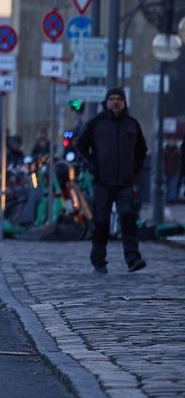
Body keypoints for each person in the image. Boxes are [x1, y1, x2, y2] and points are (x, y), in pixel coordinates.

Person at [73, 88, 148, 273]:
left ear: (124, 102)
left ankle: (133, 258)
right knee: (101, 222)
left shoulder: (132, 124)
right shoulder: (97, 123)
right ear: (106, 102)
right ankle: (98, 259)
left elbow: (141, 150)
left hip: (125, 182)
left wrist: (134, 171)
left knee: (128, 219)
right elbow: (81, 147)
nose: (115, 102)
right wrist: (92, 165)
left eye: (119, 99)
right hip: (103, 181)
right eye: (112, 99)